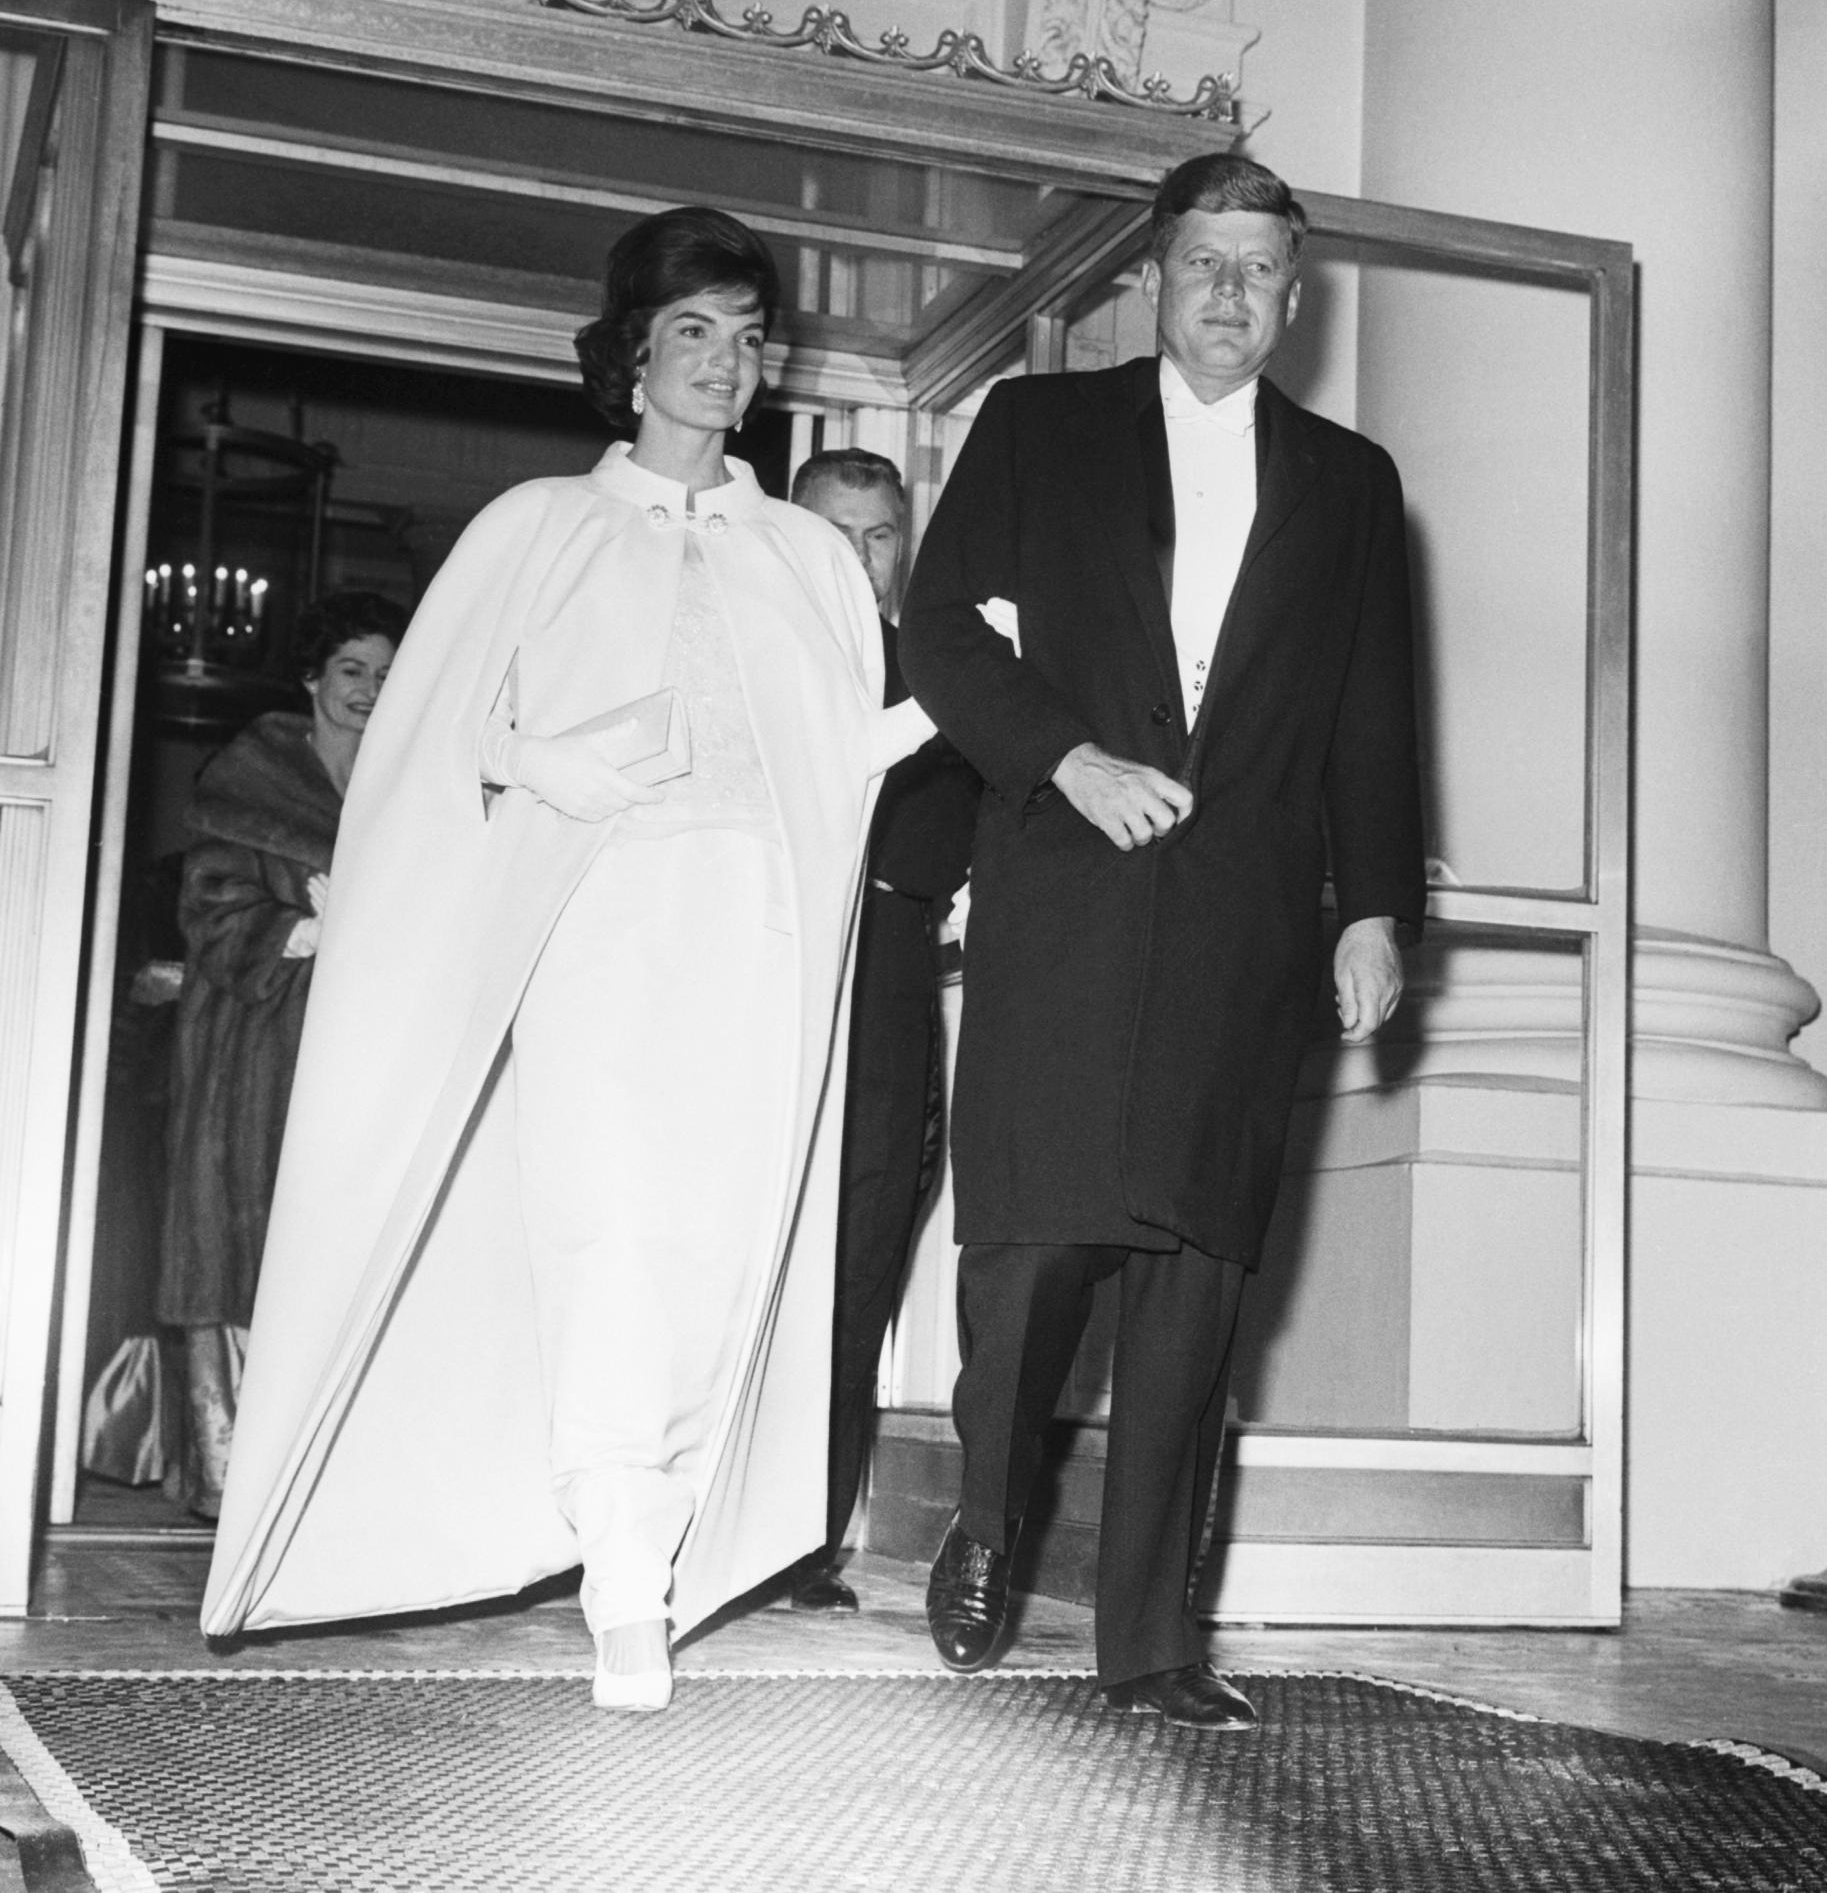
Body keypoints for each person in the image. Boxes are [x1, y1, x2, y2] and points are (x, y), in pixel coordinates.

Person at [201, 208, 929, 1713]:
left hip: (758, 940)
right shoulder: (533, 527)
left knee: (721, 1253)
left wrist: (977, 697)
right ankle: (618, 1574)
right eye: (691, 335)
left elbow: (837, 764)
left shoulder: (805, 554)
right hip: (598, 932)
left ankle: (655, 1537)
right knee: (607, 1234)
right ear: (630, 357)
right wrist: (536, 759)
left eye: (746, 338)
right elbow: (432, 747)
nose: (723, 367)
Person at [898, 154, 1425, 1732]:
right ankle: (990, 1513)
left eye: (1260, 271)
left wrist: (1372, 905)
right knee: (1034, 1249)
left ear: (1292, 294)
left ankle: (1148, 1645)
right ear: (1153, 273)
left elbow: (1369, 713)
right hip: (1065, 887)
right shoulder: (1038, 428)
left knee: (1194, 1281)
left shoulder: (1347, 482)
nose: (1229, 295)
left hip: (1241, 923)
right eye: (1205, 262)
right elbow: (934, 636)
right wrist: (1063, 758)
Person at [157, 590, 405, 1517]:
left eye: (387, 674)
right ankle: (235, 1480)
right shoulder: (254, 769)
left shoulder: (405, 778)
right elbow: (209, 908)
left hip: (362, 1043)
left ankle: (322, 1484)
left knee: (342, 1249)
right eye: (352, 670)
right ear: (312, 677)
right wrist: (306, 927)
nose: (371, 691)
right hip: (253, 1041)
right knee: (237, 1246)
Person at [786, 450, 980, 1613]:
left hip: (892, 975)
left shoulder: (946, 679)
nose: (857, 559)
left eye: (879, 535)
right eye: (834, 532)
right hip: (761, 970)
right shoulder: (747, 658)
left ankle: (806, 1540)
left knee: (861, 1257)